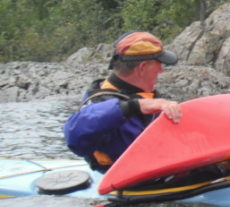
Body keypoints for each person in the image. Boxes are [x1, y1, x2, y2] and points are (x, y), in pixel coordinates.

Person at [64, 31, 183, 172]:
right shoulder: (99, 100)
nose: (161, 70)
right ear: (143, 68)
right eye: (159, 64)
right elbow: (74, 135)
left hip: (167, 171)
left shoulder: (144, 94)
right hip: (136, 184)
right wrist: (134, 106)